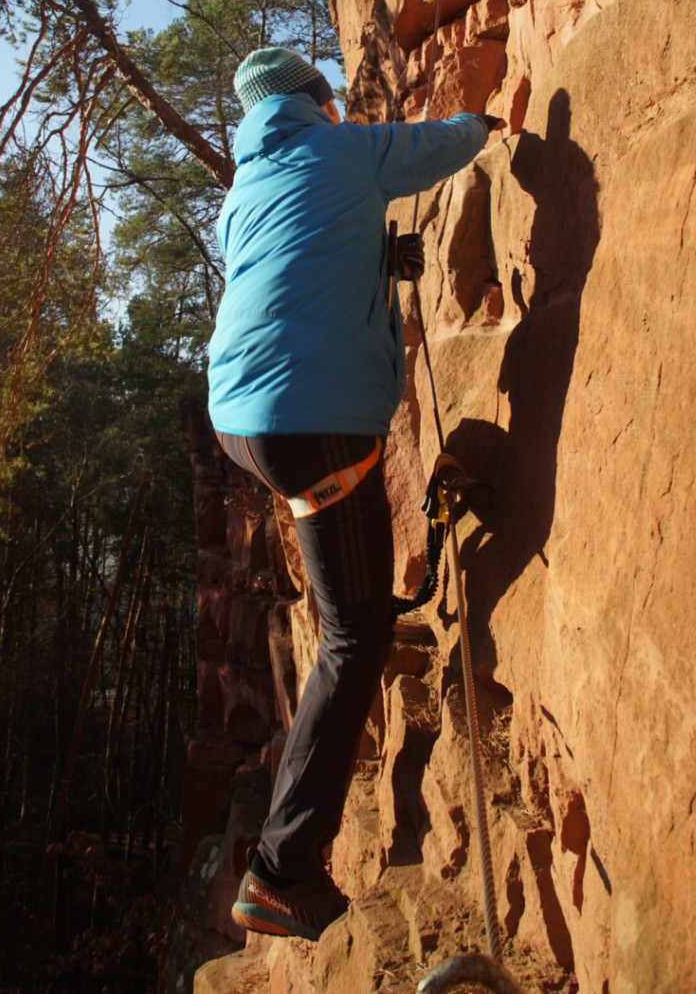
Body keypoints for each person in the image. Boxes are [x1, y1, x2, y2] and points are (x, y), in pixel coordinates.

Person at [207, 46, 493, 941]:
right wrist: (487, 116)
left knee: (349, 612)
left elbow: (287, 270)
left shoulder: (240, 193)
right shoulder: (344, 147)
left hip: (244, 421)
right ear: (318, 100)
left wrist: (374, 256)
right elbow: (448, 143)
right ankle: (280, 870)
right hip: (311, 419)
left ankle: (282, 860)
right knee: (354, 635)